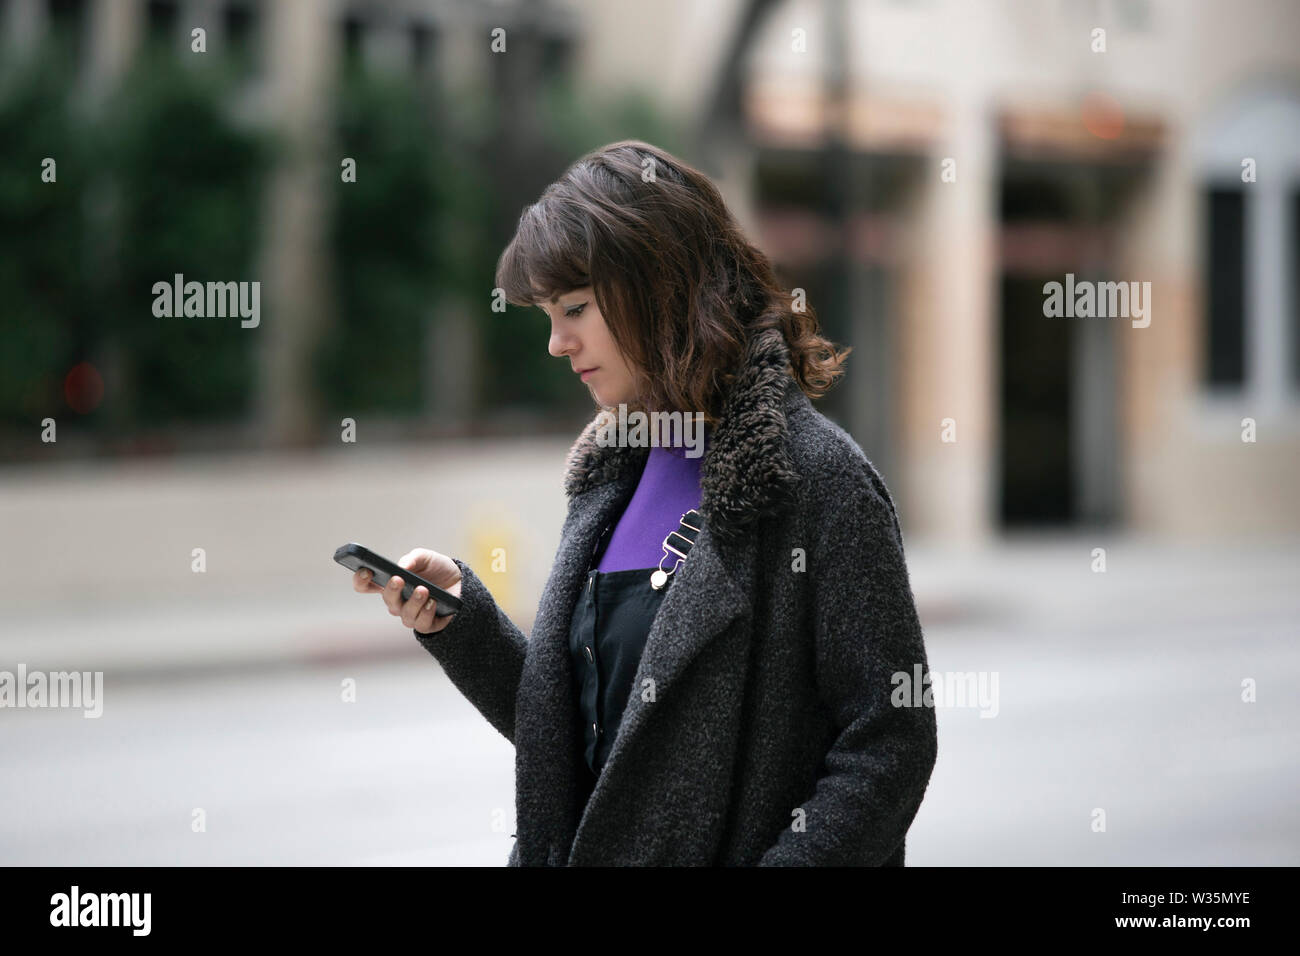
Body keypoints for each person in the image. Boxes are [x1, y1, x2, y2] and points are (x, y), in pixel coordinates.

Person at [353, 140, 938, 866]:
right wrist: (462, 623)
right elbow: (590, 746)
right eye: (546, 314)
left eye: (574, 308)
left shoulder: (818, 479)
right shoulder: (610, 476)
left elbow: (891, 739)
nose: (556, 343)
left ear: (661, 286)